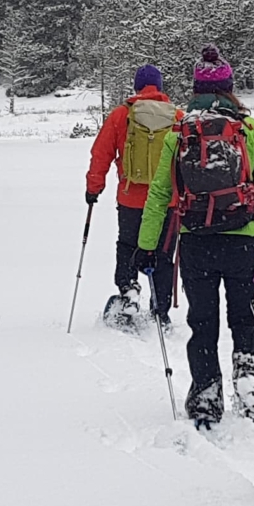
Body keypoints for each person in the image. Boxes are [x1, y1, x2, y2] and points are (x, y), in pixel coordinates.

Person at [137, 47, 254, 429]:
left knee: (203, 321)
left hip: (195, 241)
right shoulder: (248, 128)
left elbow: (161, 194)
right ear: (230, 88)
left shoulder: (179, 133)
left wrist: (146, 246)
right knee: (247, 319)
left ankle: (205, 395)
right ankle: (250, 376)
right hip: (244, 238)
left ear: (195, 89)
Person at [85, 63, 177, 329]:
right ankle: (161, 309)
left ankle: (128, 291)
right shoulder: (177, 116)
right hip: (167, 201)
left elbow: (100, 154)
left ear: (136, 87)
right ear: (160, 87)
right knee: (163, 252)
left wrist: (94, 187)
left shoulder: (121, 115)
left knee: (127, 245)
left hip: (131, 198)